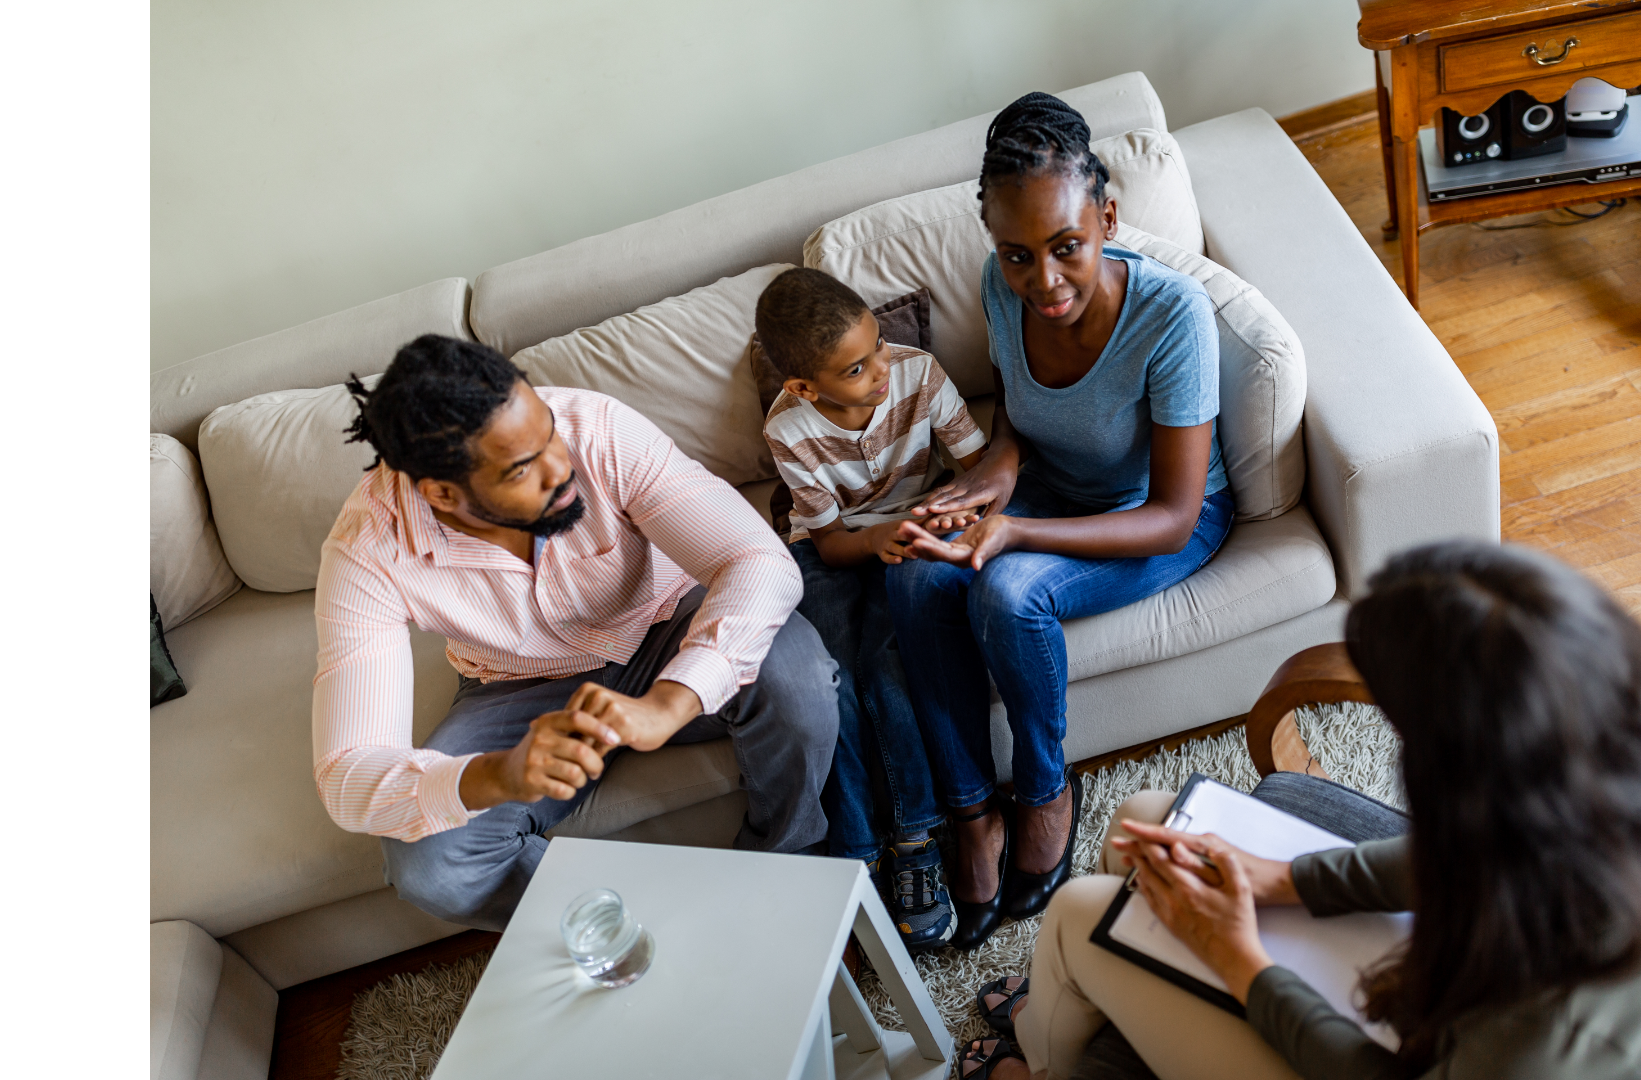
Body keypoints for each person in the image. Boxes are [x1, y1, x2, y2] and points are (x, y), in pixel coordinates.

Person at [958, 541, 1641, 1080]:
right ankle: (1077, 1012)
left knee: (1080, 915)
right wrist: (1286, 879)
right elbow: (1490, 850)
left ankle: (1043, 1058)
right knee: (1152, 816)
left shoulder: (1555, 1038)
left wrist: (1244, 962)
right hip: (1531, 945)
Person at [312, 334, 839, 931]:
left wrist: (671, 701)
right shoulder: (366, 550)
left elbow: (758, 561)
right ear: (442, 494)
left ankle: (788, 868)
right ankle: (649, 931)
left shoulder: (596, 427)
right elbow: (347, 775)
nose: (561, 467)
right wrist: (500, 774)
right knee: (431, 866)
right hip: (517, 684)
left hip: (668, 621)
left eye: (549, 433)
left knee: (796, 678)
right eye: (521, 469)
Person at [886, 92, 1236, 952]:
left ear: (1107, 217)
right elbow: (1015, 420)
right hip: (1054, 486)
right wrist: (988, 478)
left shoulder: (1172, 316)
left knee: (1006, 592)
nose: (1042, 281)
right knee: (916, 569)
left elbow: (1171, 513)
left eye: (1066, 248)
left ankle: (1044, 793)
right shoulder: (999, 287)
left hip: (1158, 516)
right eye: (1017, 255)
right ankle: (973, 812)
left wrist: (1016, 533)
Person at [756, 267, 989, 951]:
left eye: (878, 347)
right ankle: (856, 856)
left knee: (892, 673)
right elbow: (829, 543)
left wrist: (934, 526)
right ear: (804, 387)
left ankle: (915, 839)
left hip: (915, 535)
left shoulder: (918, 374)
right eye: (858, 369)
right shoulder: (789, 427)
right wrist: (876, 537)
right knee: (835, 688)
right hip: (832, 551)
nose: (882, 370)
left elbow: (979, 470)